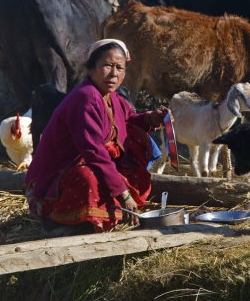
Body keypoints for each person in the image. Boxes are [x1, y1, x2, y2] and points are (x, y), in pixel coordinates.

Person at [25, 39, 168, 236]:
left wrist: (152, 118)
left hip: (81, 166)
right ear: (91, 69)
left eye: (120, 68)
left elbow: (129, 121)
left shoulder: (113, 98)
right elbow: (94, 152)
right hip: (52, 182)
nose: (114, 74)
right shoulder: (86, 97)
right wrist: (123, 194)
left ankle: (103, 216)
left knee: (132, 173)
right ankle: (58, 221)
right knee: (89, 179)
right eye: (107, 66)